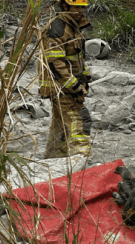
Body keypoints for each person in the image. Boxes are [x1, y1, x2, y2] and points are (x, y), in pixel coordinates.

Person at [39, 0, 93, 159]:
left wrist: (85, 78)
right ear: (64, 6)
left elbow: (76, 59)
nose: (80, 11)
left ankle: (54, 159)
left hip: (67, 86)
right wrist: (75, 87)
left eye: (82, 7)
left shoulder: (71, 26)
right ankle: (82, 160)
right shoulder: (57, 28)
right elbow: (55, 64)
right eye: (76, 7)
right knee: (80, 121)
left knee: (61, 126)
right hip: (62, 88)